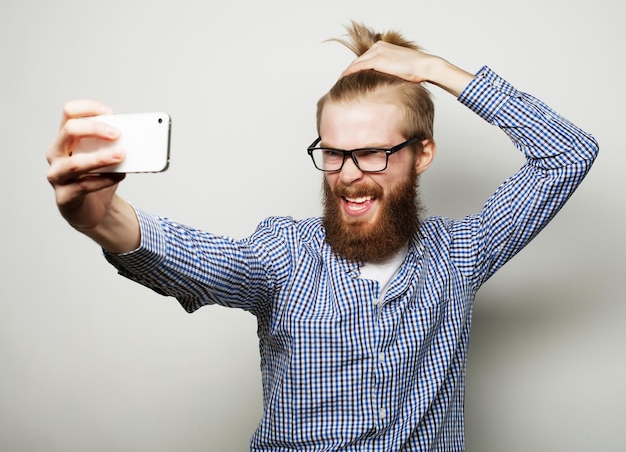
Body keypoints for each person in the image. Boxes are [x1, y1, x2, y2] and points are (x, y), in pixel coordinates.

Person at [46, 22, 599, 451]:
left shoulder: (461, 254)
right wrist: (102, 219)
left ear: (422, 154)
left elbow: (567, 155)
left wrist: (435, 69)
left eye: (373, 153)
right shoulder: (285, 253)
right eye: (333, 152)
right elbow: (206, 262)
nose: (349, 174)